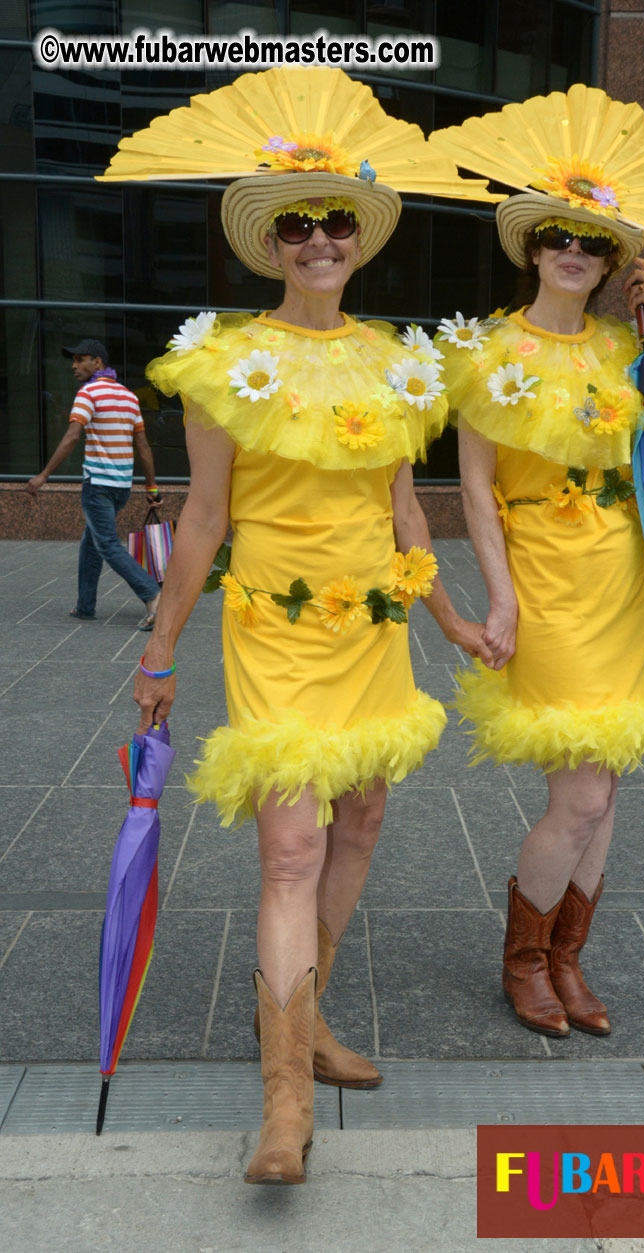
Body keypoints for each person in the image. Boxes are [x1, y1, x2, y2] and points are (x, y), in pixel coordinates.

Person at [108, 68, 494, 1186]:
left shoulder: (400, 361)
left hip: (371, 627)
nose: (317, 238)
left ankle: (309, 1018)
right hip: (271, 624)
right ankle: (284, 1102)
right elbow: (204, 519)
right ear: (268, 243)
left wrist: (454, 617)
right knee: (291, 842)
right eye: (295, 224)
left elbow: (403, 507)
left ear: (359, 237)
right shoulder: (225, 362)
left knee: (363, 813)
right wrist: (161, 647)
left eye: (334, 220)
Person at [433, 88, 644, 1042]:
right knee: (581, 792)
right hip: (547, 589)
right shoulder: (483, 352)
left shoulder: (619, 348)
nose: (574, 251)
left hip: (622, 585)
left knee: (610, 784)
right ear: (531, 245)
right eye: (559, 233)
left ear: (608, 262)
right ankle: (522, 958)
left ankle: (564, 956)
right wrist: (500, 596)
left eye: (594, 242)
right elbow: (475, 492)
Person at [26, 338, 162, 629]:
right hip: (121, 487)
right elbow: (144, 446)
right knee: (92, 543)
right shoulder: (128, 396)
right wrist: (152, 489)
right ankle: (85, 607)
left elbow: (73, 436)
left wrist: (44, 474)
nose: (74, 366)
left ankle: (153, 597)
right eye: (73, 360)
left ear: (97, 363)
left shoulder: (88, 393)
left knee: (108, 545)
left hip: (98, 485)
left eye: (81, 359)